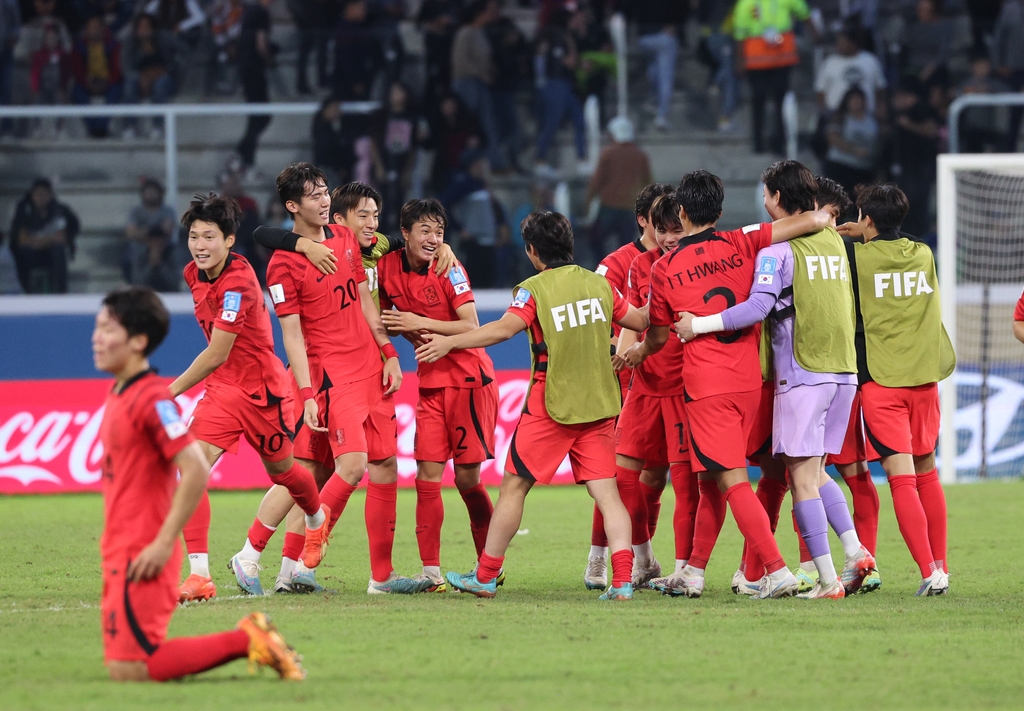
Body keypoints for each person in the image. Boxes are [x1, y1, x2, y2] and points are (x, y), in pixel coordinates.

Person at [416, 211, 648, 601]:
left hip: (551, 406)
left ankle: (486, 576)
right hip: (601, 405)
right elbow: (641, 320)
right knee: (608, 495)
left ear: (532, 251)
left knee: (514, 487)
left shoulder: (533, 289)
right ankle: (623, 581)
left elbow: (505, 328)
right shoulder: (601, 284)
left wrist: (450, 342)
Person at [676, 161, 877, 599]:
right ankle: (856, 550)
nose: (763, 201)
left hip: (802, 373)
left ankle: (825, 581)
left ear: (778, 199)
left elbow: (755, 309)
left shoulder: (777, 250)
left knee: (799, 478)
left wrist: (699, 325)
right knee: (820, 473)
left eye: (766, 194)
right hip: (844, 373)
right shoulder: (832, 243)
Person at [252, 182, 456, 594]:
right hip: (325, 373)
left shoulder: (372, 246)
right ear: (338, 220)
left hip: (368, 367)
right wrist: (304, 245)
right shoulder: (309, 250)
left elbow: (412, 239)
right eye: (362, 215)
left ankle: (368, 576)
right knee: (315, 469)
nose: (371, 225)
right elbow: (261, 234)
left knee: (374, 466)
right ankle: (270, 562)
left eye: (375, 216)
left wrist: (441, 245)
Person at [92, 286, 304, 682]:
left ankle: (247, 639)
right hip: (118, 546)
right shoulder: (120, 393)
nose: (96, 338)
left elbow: (193, 469)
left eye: (107, 329)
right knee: (124, 666)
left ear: (138, 341)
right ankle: (247, 638)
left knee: (132, 668)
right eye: (98, 327)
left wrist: (161, 541)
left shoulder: (152, 399)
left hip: (143, 548)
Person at [635, 169, 830, 599]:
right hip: (751, 381)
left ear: (681, 212)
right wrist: (829, 218)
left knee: (733, 481)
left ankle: (776, 571)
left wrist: (639, 349)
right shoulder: (743, 240)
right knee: (712, 482)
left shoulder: (665, 268)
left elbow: (658, 333)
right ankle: (694, 572)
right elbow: (810, 222)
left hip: (708, 386)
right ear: (719, 212)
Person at [170, 193, 331, 602]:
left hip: (264, 393)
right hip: (223, 391)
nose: (200, 245)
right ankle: (199, 574)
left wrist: (167, 390)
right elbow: (219, 361)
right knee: (191, 469)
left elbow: (217, 351)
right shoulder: (193, 273)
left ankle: (315, 517)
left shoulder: (239, 283)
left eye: (209, 237)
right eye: (194, 236)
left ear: (229, 241)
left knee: (286, 474)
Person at [837, 183, 955, 596]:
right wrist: (869, 227)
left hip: (883, 383)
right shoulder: (923, 255)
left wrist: (848, 234)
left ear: (866, 219)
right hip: (924, 379)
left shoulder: (857, 259)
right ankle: (940, 565)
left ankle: (928, 572)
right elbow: (897, 240)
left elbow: (848, 252)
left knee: (899, 477)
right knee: (927, 472)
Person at [377, 199, 497, 591]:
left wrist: (416, 322)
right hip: (430, 386)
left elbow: (471, 323)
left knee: (466, 481)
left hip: (469, 382)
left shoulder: (451, 267)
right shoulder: (385, 266)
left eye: (439, 232)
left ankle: (488, 566)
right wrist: (393, 334)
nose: (433, 239)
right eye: (425, 231)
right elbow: (378, 313)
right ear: (405, 233)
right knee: (426, 477)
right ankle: (431, 573)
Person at [582, 182, 673, 587]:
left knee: (653, 478)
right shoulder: (617, 264)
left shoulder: (679, 258)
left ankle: (643, 557)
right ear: (643, 220)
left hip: (666, 380)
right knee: (617, 475)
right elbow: (597, 317)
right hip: (624, 382)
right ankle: (599, 556)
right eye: (660, 217)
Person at [612, 194, 695, 590]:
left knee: (682, 483)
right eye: (661, 229)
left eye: (676, 229)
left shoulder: (698, 263)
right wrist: (625, 355)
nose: (668, 237)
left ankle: (684, 569)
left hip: (683, 386)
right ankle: (644, 558)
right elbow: (635, 317)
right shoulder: (639, 266)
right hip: (645, 383)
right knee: (622, 475)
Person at [733, 0, 811, 154]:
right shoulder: (746, 3)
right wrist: (739, 61)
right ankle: (758, 142)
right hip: (757, 62)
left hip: (782, 59)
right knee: (758, 100)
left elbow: (804, 13)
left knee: (780, 101)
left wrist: (815, 33)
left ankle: (779, 142)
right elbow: (739, 33)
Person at [585, 117, 653, 267]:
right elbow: (648, 184)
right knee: (627, 249)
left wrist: (588, 202)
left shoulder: (608, 153)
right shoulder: (640, 156)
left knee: (595, 239)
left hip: (609, 207)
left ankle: (602, 268)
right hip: (630, 208)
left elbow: (597, 182)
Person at [450, 0, 503, 172]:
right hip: (466, 84)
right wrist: (480, 73)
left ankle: (493, 162)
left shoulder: (481, 33)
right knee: (468, 122)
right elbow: (460, 61)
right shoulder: (465, 32)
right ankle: (462, 162)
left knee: (488, 123)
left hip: (481, 84)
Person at [533, 8, 585, 175]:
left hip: (564, 83)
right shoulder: (556, 34)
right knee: (552, 122)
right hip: (556, 83)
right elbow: (564, 60)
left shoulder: (562, 34)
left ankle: (582, 159)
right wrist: (577, 62)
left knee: (579, 119)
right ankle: (539, 160)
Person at [9, 177, 79, 294]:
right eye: (38, 194)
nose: (41, 197)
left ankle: (61, 291)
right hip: (30, 255)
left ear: (50, 195)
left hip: (51, 255)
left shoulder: (60, 210)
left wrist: (61, 239)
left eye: (45, 194)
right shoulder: (23, 210)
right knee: (23, 252)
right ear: (32, 195)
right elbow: (22, 240)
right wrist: (49, 239)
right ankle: (24, 291)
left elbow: (70, 230)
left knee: (58, 250)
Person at [371, 82, 421, 235]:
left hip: (402, 162)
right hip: (385, 160)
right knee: (382, 200)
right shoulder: (381, 115)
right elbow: (373, 142)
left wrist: (407, 170)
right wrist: (379, 166)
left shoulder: (412, 117)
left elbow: (413, 147)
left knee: (400, 201)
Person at [120, 13, 177, 137]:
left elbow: (172, 65)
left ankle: (158, 126)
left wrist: (158, 73)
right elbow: (126, 68)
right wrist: (141, 78)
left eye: (146, 26)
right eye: (141, 27)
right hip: (139, 79)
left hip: (163, 77)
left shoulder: (164, 40)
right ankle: (129, 127)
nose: (144, 30)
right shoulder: (131, 43)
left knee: (160, 85)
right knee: (129, 85)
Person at [69, 14, 121, 138]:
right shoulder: (79, 47)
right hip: (87, 82)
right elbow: (78, 70)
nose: (94, 30)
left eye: (97, 27)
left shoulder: (114, 46)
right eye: (91, 27)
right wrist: (88, 84)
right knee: (77, 92)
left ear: (103, 29)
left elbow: (117, 68)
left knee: (116, 90)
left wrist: (107, 83)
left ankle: (101, 127)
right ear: (86, 30)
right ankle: (95, 128)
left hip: (108, 81)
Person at [235, 0, 271, 174]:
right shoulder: (261, 13)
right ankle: (244, 150)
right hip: (255, 69)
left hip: (245, 68)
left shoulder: (248, 13)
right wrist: (268, 60)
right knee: (262, 115)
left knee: (257, 115)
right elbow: (261, 41)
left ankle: (245, 152)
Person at [824, 87, 880, 198]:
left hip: (864, 168)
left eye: (859, 100)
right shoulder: (840, 118)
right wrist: (854, 150)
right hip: (841, 165)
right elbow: (833, 138)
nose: (856, 103)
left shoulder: (872, 120)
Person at [124, 177, 176, 286]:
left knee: (175, 255)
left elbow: (167, 229)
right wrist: (153, 235)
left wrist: (143, 231)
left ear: (160, 193)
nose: (151, 195)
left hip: (164, 248)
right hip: (141, 248)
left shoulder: (167, 211)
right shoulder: (136, 212)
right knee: (132, 256)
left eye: (154, 191)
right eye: (148, 192)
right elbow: (131, 233)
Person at [956, 51, 1010, 154]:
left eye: (985, 65)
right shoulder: (965, 84)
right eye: (979, 65)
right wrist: (974, 91)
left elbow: (1007, 93)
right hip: (971, 129)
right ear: (972, 67)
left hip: (992, 129)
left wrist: (989, 91)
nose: (982, 68)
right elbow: (957, 95)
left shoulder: (996, 83)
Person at [287, 0, 334, 94]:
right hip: (311, 13)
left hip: (308, 13)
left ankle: (313, 80)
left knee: (308, 49)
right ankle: (318, 80)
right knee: (315, 47)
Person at [312, 97, 355, 188]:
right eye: (334, 108)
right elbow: (328, 151)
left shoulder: (337, 127)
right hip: (328, 168)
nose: (337, 111)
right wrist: (339, 168)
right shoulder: (322, 130)